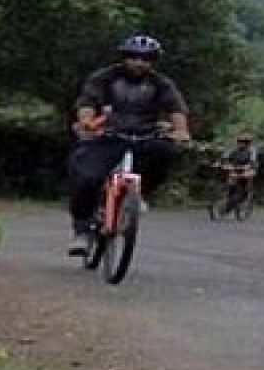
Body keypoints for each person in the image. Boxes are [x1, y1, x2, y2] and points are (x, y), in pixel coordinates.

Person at [67, 35, 190, 255]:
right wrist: (87, 122)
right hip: (108, 136)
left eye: (145, 59)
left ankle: (140, 194)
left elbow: (176, 109)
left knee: (166, 153)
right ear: (124, 58)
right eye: (133, 57)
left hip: (146, 136)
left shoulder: (161, 84)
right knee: (87, 177)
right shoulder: (104, 78)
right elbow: (88, 102)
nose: (139, 63)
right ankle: (82, 231)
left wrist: (180, 131)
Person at [216, 131, 261, 212]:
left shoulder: (252, 151)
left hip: (248, 169)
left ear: (248, 143)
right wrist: (219, 163)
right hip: (235, 168)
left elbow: (253, 162)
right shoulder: (234, 149)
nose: (241, 144)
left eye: (243, 142)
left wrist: (247, 167)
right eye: (239, 141)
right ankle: (228, 195)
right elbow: (225, 157)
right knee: (230, 179)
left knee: (244, 179)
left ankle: (243, 195)